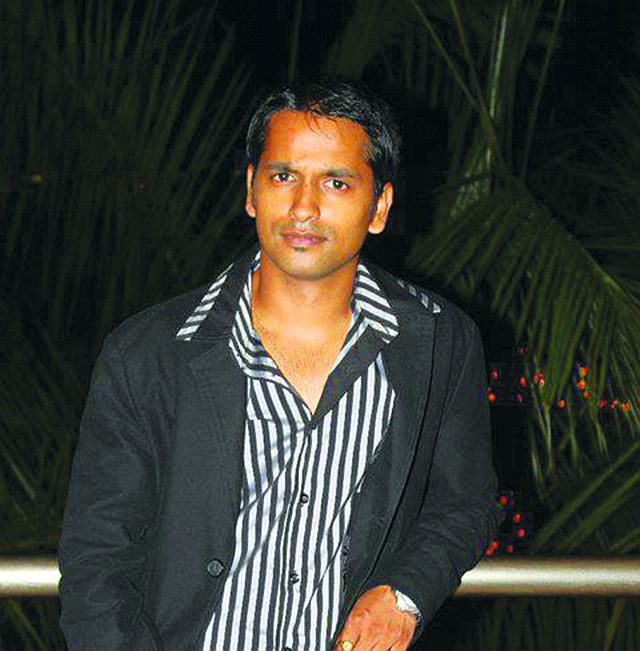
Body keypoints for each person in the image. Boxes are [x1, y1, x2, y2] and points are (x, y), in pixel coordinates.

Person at [58, 77, 501, 650]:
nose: (303, 208)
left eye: (336, 183)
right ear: (252, 191)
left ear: (379, 207)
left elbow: (465, 503)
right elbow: (97, 560)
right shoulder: (149, 353)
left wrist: (404, 593)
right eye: (283, 176)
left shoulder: (439, 341)